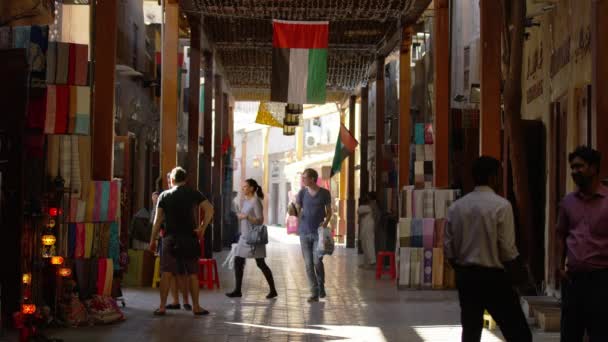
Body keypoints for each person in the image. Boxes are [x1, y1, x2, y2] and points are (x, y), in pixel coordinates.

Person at [444, 156, 532, 342]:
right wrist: (521, 277)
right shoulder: (501, 206)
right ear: (493, 177)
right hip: (495, 279)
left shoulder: (456, 208)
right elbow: (507, 249)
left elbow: (449, 250)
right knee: (519, 333)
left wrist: (462, 270)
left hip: (467, 277)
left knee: (471, 331)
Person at [556, 146, 608, 342]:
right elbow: (560, 234)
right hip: (574, 280)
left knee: (601, 333)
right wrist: (558, 266)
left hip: (602, 280)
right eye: (572, 167)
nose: (574, 171)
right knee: (570, 334)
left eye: (580, 166)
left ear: (593, 168)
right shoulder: (568, 202)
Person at [149, 167, 214, 316]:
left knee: (166, 272)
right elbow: (210, 209)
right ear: (186, 180)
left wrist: (152, 239)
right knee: (192, 273)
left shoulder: (164, 195)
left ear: (172, 180)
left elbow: (157, 221)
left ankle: (162, 307)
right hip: (189, 238)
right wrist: (202, 228)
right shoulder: (193, 193)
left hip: (170, 238)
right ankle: (196, 307)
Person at [226, 179, 277, 299]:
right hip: (244, 237)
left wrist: (246, 217)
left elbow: (260, 220)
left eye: (245, 186)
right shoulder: (246, 201)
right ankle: (237, 290)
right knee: (238, 261)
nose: (243, 188)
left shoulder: (256, 202)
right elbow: (244, 216)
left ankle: (273, 290)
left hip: (255, 238)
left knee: (261, 263)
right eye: (243, 186)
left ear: (252, 188)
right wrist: (241, 216)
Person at [295, 168, 332, 303]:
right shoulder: (302, 193)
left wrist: (325, 222)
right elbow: (297, 210)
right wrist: (295, 212)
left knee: (317, 261)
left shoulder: (324, 193)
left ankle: (321, 285)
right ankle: (314, 292)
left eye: (305, 177)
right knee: (308, 264)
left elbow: (329, 212)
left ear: (312, 179)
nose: (303, 180)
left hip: (318, 234)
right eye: (302, 177)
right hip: (304, 233)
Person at [358, 194, 377, 269]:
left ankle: (372, 262)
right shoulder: (370, 207)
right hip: (366, 226)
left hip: (368, 226)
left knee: (368, 243)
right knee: (365, 244)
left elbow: (359, 211)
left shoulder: (368, 207)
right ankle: (368, 262)